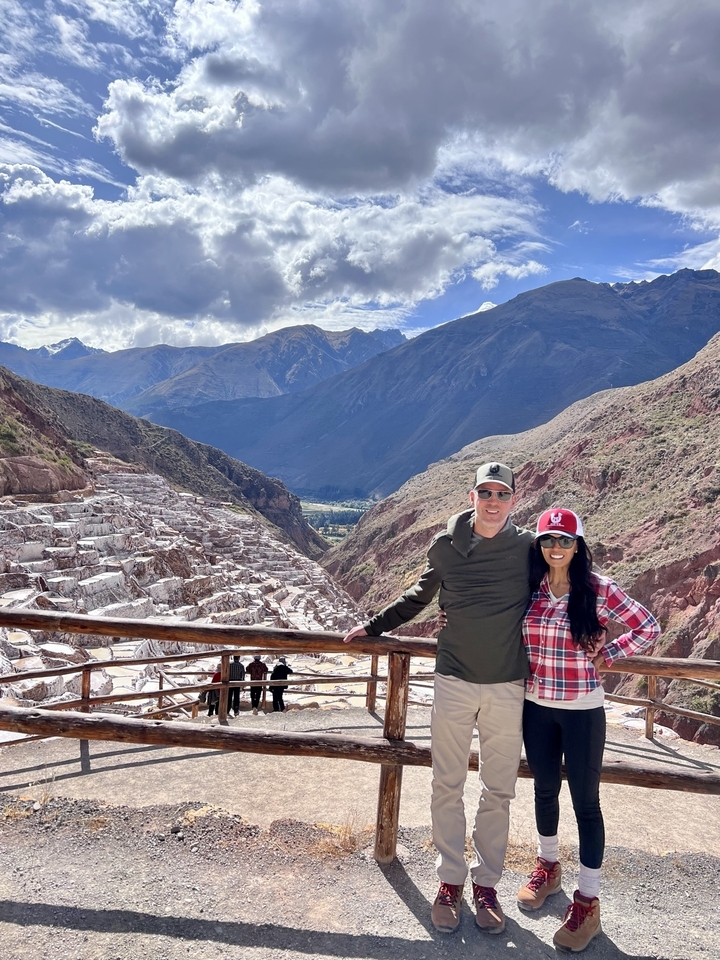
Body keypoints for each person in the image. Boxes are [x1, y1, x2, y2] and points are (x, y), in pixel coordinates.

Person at [344, 462, 533, 936]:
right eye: (485, 492)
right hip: (454, 680)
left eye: (502, 493)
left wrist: (596, 637)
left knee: (499, 790)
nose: (493, 501)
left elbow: (563, 595)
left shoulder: (531, 549)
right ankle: (450, 879)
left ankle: (487, 885)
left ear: (514, 498)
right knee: (446, 784)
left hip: (509, 684)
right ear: (472, 497)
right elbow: (417, 596)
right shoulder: (446, 547)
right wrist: (373, 628)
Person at [517, 508, 660, 953]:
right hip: (536, 705)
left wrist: (611, 653)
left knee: (586, 803)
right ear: (539, 546)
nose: (555, 548)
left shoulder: (597, 588)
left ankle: (588, 902)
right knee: (543, 790)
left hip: (582, 710)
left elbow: (647, 625)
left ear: (577, 545)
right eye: (547, 540)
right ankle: (549, 867)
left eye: (563, 540)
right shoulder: (532, 588)